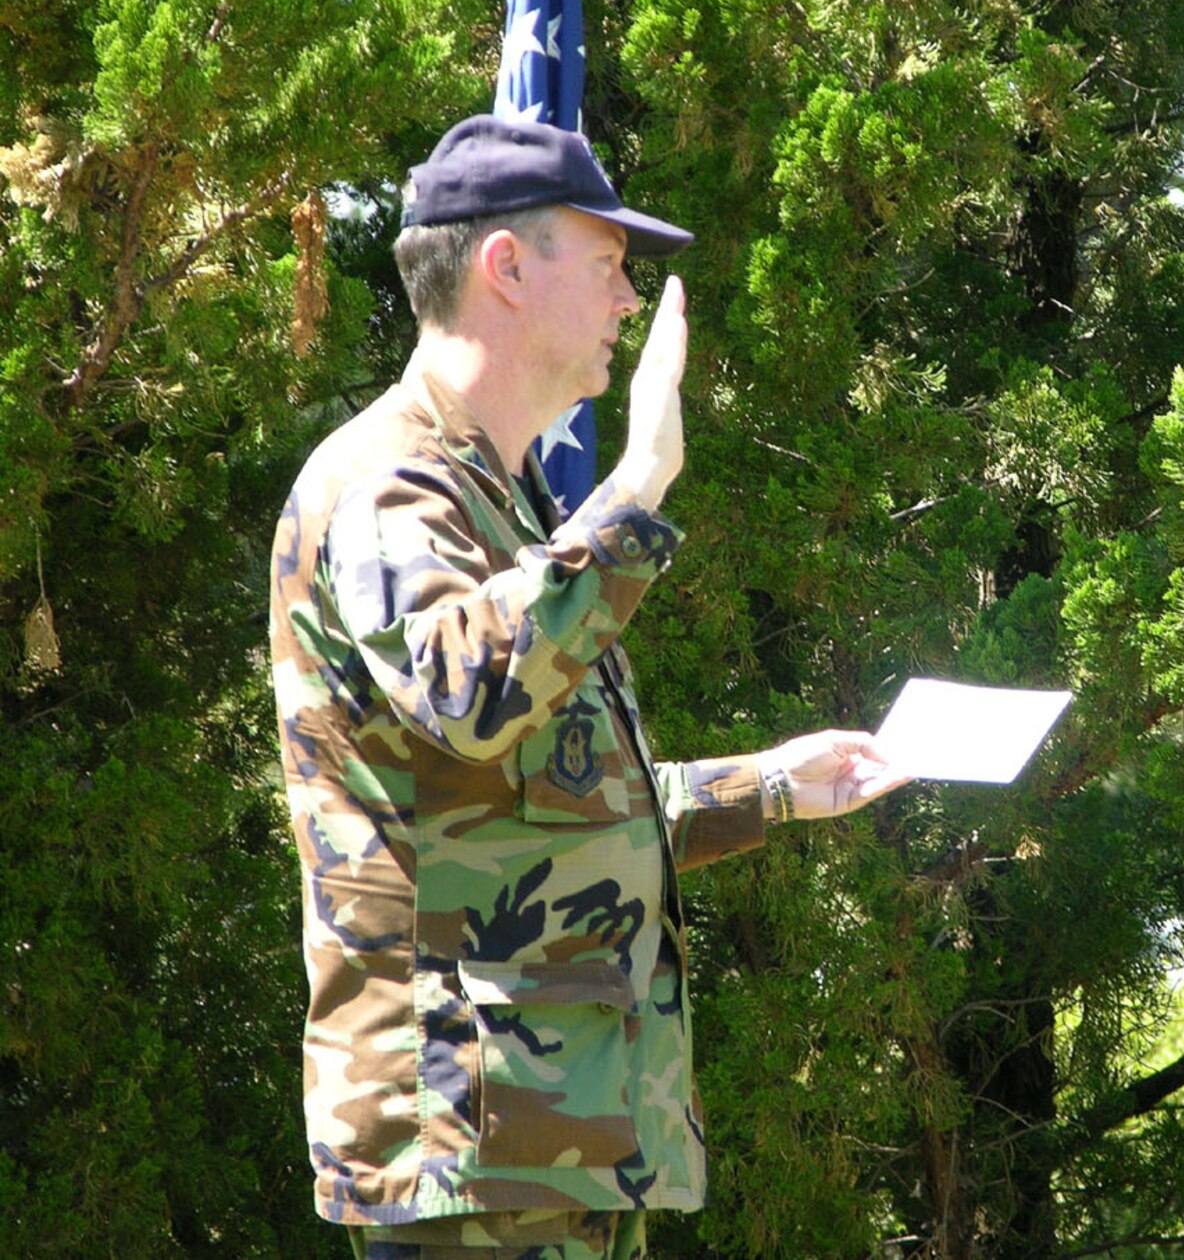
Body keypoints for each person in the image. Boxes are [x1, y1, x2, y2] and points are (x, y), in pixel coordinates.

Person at [269, 115, 904, 1260]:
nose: (626, 299)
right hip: (466, 1146)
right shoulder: (385, 482)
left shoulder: (494, 502)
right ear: (505, 268)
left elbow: (533, 796)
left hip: (541, 1141)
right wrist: (641, 481)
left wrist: (765, 787)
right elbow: (469, 696)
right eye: (607, 263)